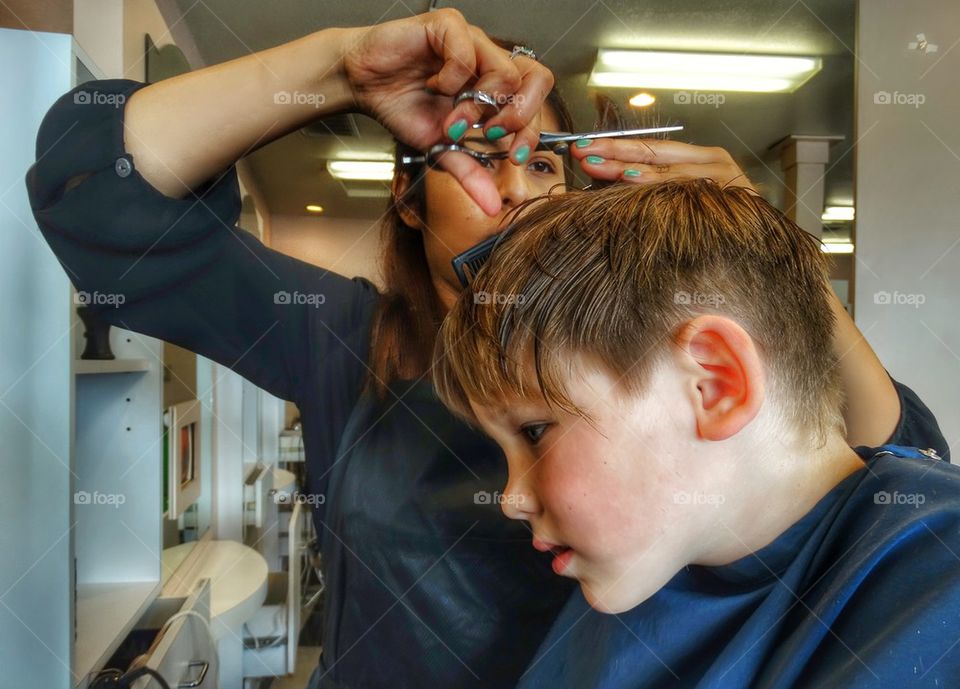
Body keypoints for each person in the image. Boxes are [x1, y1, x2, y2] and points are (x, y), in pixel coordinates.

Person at [25, 8, 947, 689]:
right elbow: (95, 190)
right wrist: (342, 68)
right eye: (473, 150)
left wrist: (753, 253)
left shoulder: (663, 379)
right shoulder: (344, 339)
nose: (515, 185)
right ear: (408, 197)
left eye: (545, 161)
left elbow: (888, 461)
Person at [433, 179, 960, 688]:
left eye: (535, 431)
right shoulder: (656, 557)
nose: (510, 499)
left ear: (713, 383)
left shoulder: (935, 576)